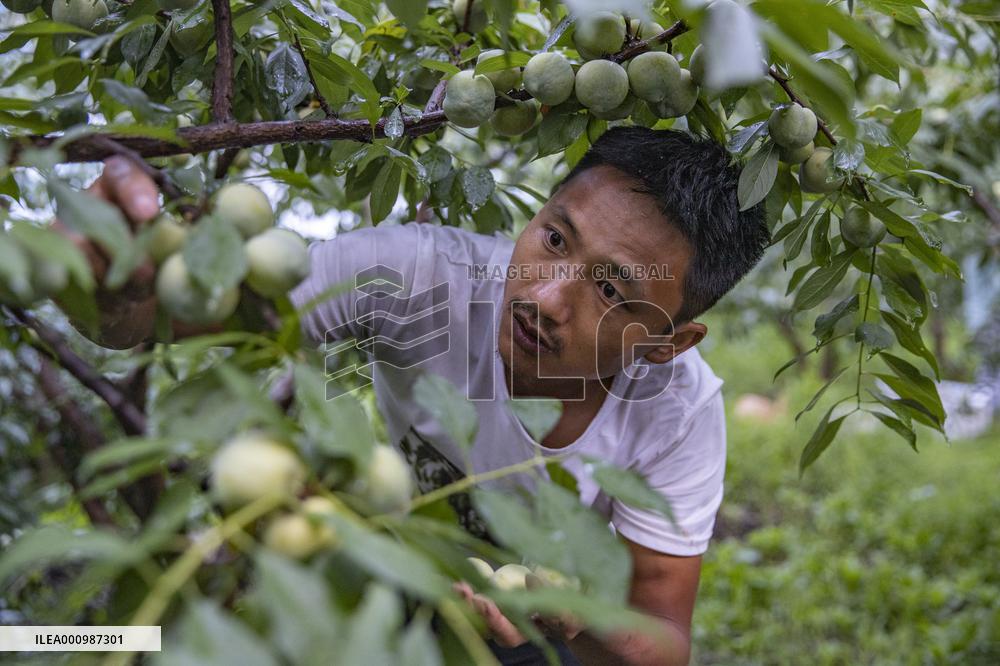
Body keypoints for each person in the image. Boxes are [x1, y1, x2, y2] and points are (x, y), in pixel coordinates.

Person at [59, 127, 769, 665]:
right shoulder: (418, 276)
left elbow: (663, 637)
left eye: (612, 290)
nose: (545, 299)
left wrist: (570, 613)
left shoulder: (678, 412)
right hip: (388, 568)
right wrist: (113, 273)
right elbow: (165, 319)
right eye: (555, 237)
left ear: (669, 341)